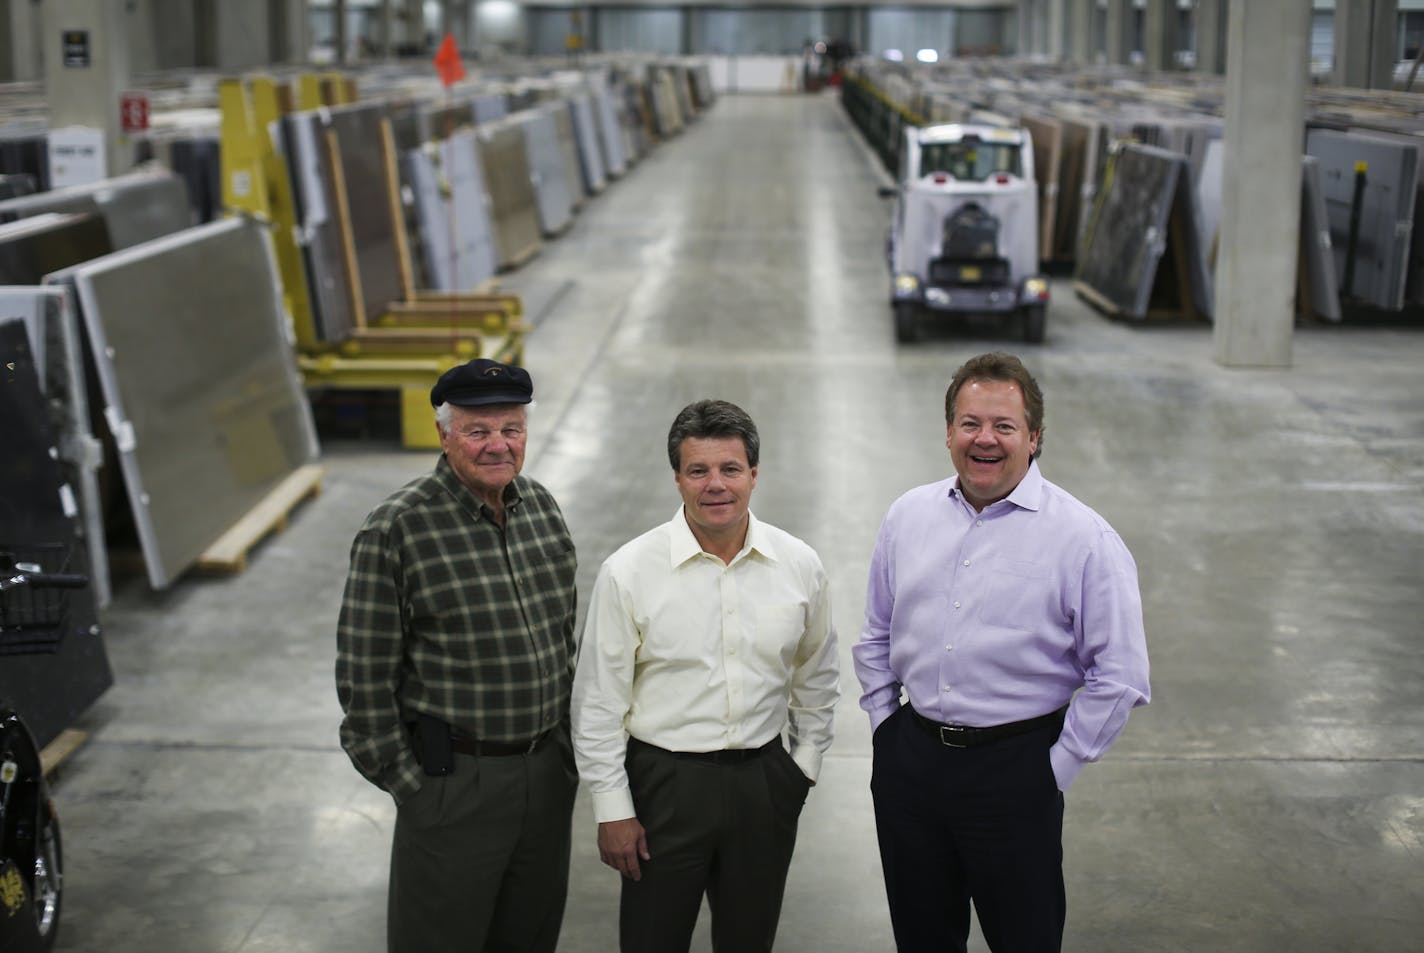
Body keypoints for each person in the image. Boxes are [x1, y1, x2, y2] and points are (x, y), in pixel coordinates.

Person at [854, 352, 1150, 953]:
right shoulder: (907, 516)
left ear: (1034, 438)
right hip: (911, 765)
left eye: (1004, 426)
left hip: (1016, 770)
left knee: (1024, 938)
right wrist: (887, 729)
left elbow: (1119, 675)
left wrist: (1053, 770)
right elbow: (877, 634)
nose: (984, 439)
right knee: (922, 936)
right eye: (970, 423)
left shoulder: (1083, 538)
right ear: (948, 432)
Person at [572, 399, 840, 953]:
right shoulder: (629, 572)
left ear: (754, 475)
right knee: (653, 939)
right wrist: (612, 807)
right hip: (664, 787)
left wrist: (802, 767)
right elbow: (599, 701)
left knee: (750, 940)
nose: (715, 485)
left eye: (730, 469)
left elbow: (817, 673)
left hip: (763, 783)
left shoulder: (799, 565)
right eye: (698, 471)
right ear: (677, 478)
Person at [335, 357, 579, 953]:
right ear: (444, 434)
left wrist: (567, 751)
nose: (498, 445)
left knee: (530, 935)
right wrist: (413, 787)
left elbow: (565, 637)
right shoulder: (396, 529)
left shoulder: (541, 508)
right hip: (454, 785)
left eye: (512, 428)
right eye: (478, 430)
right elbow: (363, 679)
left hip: (546, 775)